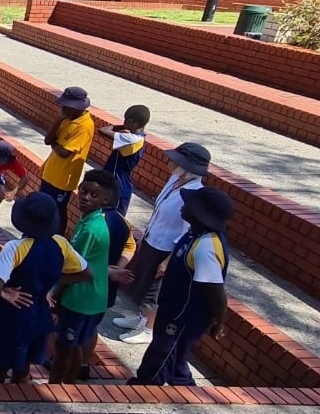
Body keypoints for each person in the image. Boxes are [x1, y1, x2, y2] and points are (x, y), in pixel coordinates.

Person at [127, 187, 233, 386]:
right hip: (171, 310)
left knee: (160, 357)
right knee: (175, 361)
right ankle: (186, 390)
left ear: (201, 214)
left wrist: (219, 322)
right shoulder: (194, 234)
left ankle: (144, 388)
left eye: (189, 204)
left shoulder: (206, 247)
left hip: (183, 318)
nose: (183, 206)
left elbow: (216, 291)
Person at [0, 192, 91, 384]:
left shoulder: (15, 247)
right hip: (40, 315)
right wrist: (50, 281)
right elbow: (86, 273)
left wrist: (5, 293)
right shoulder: (61, 243)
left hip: (11, 319)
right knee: (23, 369)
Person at [113, 143, 211, 345]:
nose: (170, 163)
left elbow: (187, 230)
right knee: (142, 281)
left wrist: (168, 260)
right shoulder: (175, 180)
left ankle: (148, 329)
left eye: (176, 161)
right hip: (153, 240)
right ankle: (140, 318)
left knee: (154, 291)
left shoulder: (195, 193)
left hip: (167, 249)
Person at [50, 170, 135, 384]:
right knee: (75, 344)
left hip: (80, 299)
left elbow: (74, 268)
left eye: (94, 195)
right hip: (92, 296)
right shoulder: (90, 219)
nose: (85, 197)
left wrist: (55, 295)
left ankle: (56, 386)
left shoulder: (91, 229)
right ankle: (69, 384)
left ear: (106, 199)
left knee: (64, 347)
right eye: (83, 191)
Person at [39, 87, 95, 235]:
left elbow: (64, 152)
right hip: (50, 172)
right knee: (44, 206)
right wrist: (58, 120)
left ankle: (56, 238)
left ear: (77, 108)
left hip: (63, 178)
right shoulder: (67, 119)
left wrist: (53, 142)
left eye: (66, 106)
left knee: (57, 210)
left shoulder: (84, 126)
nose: (63, 109)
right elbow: (48, 140)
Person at [97, 105, 150, 216]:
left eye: (125, 120)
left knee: (112, 217)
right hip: (117, 181)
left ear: (130, 121)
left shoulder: (131, 138)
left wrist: (121, 127)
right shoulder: (136, 137)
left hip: (118, 183)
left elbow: (103, 130)